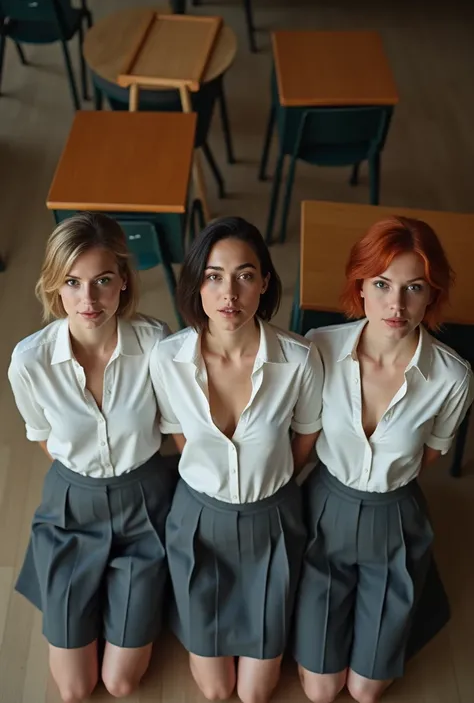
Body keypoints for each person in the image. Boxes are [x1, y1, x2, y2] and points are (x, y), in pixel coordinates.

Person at [292, 216, 474, 703]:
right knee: (321, 689)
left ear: (431, 294)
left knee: (367, 690)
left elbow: (431, 453)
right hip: (325, 507)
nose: (396, 304)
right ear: (361, 286)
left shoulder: (452, 377)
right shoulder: (319, 347)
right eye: (382, 284)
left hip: (394, 513)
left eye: (414, 288)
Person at [150, 216, 323, 703]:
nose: (230, 292)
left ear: (264, 282)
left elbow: (306, 436)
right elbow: (180, 435)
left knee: (255, 693)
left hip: (272, 518)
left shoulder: (299, 359)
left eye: (245, 275)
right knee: (216, 689)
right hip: (200, 519)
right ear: (197, 283)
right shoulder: (167, 359)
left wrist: (267, 478)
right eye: (214, 275)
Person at [8, 213, 175, 703]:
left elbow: (175, 426)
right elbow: (43, 437)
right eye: (73, 283)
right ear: (55, 287)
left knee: (122, 684)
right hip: (72, 507)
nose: (89, 299)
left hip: (145, 501)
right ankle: (89, 596)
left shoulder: (156, 343)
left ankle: (123, 596)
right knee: (76, 689)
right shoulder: (29, 361)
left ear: (123, 281)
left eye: (103, 280)